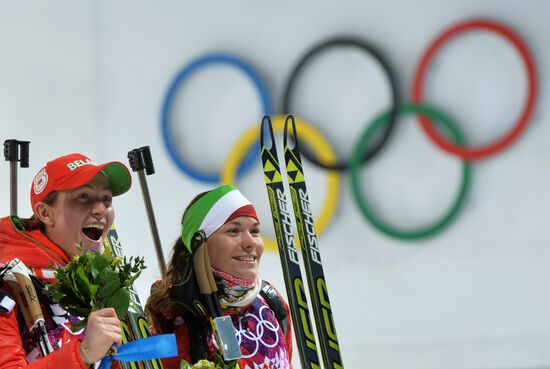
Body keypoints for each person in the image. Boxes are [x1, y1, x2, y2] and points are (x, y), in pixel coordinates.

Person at [0, 153, 132, 368]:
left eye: (106, 199)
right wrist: (83, 354)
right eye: (83, 197)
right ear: (45, 213)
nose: (100, 210)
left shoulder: (100, 286)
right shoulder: (7, 282)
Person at [145, 184, 293, 369]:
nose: (250, 242)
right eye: (233, 231)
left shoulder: (270, 301)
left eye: (254, 231)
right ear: (200, 245)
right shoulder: (174, 313)